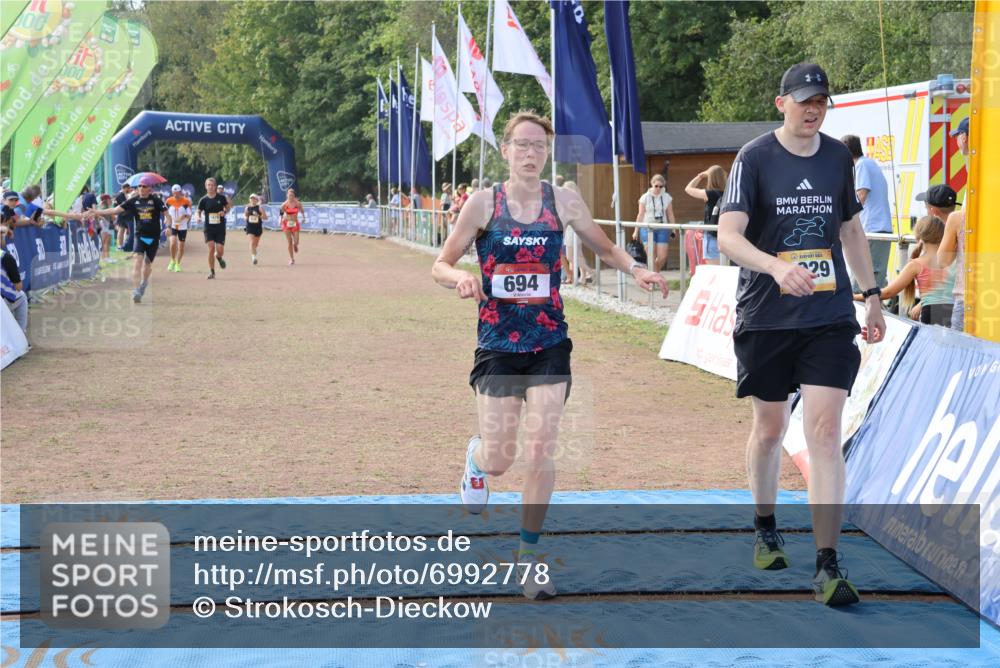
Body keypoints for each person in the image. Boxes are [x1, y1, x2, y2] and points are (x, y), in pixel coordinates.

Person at [432, 111, 668, 600]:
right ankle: (476, 458)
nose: (530, 153)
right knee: (501, 459)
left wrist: (636, 269)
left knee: (541, 450)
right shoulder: (483, 204)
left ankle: (528, 557)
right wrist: (460, 278)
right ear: (505, 150)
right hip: (498, 345)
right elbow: (441, 263)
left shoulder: (563, 201)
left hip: (548, 343)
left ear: (547, 153)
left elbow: (606, 248)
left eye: (539, 145)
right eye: (521, 144)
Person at [717, 63, 886, 607]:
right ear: (781, 103)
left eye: (821, 102)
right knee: (770, 429)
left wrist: (872, 294)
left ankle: (827, 565)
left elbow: (850, 229)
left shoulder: (838, 157)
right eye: (804, 100)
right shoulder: (754, 158)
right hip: (766, 317)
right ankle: (765, 526)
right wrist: (774, 267)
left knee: (824, 430)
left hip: (827, 317)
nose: (813, 110)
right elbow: (728, 236)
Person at [60, 176, 171, 303]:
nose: (141, 188)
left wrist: (168, 226)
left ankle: (144, 283)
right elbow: (115, 210)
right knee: (137, 261)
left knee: (147, 264)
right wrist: (97, 212)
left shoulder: (156, 201)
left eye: (144, 186)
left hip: (153, 237)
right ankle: (136, 291)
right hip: (140, 235)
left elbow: (168, 216)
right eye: (139, 186)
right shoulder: (133, 201)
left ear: (149, 188)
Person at [853, 215, 953, 326]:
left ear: (918, 236)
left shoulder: (915, 265)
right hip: (954, 313)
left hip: (930, 316)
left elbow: (888, 292)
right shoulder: (953, 261)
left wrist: (855, 297)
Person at [840, 134, 893, 289]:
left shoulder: (861, 165)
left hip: (872, 228)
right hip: (878, 228)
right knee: (874, 278)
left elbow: (862, 194)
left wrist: (844, 217)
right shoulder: (869, 163)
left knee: (863, 281)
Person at [940, 116, 969, 330]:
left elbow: (943, 260)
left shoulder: (956, 218)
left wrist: (953, 222)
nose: (957, 141)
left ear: (964, 138)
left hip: (968, 294)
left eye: (957, 136)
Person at [685, 165, 728, 266]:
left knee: (714, 270)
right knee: (724, 269)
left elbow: (688, 189)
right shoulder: (728, 193)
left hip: (712, 235)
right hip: (726, 235)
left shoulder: (710, 194)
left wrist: (700, 176)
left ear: (710, 178)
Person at [632, 174, 675, 272]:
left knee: (662, 256)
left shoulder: (667, 197)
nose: (658, 188)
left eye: (661, 186)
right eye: (656, 186)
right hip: (647, 228)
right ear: (652, 184)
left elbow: (670, 214)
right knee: (651, 255)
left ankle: (653, 274)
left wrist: (674, 229)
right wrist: (636, 231)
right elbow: (640, 215)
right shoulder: (645, 197)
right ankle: (654, 277)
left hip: (662, 227)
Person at [560, 181, 593, 283]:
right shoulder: (578, 201)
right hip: (576, 230)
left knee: (570, 256)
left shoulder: (571, 202)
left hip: (572, 231)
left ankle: (590, 272)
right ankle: (583, 276)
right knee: (579, 254)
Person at [197, 177, 230, 279]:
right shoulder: (203, 200)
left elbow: (228, 207)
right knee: (211, 248)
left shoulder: (221, 198)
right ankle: (212, 272)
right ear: (206, 186)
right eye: (208, 185)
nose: (210, 187)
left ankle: (219, 257)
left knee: (220, 250)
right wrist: (198, 217)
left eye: (212, 185)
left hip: (220, 228)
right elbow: (198, 211)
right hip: (209, 228)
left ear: (215, 186)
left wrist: (224, 212)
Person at [1, 224, 28, 333]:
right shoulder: (5, 257)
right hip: (2, 303)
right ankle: (20, 335)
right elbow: (18, 286)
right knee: (21, 296)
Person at [166, 185, 192, 272]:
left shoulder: (186, 201)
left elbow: (189, 214)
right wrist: (167, 222)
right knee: (173, 243)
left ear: (180, 192)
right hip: (173, 226)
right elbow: (166, 213)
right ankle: (172, 260)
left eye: (177, 193)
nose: (176, 195)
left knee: (181, 246)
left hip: (183, 227)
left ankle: (178, 263)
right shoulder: (169, 201)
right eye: (174, 193)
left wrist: (183, 216)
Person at [280, 188, 303, 266]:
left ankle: (295, 245)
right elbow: (281, 212)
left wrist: (303, 217)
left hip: (295, 223)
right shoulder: (284, 204)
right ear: (287, 195)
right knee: (289, 242)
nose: (291, 196)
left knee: (296, 241)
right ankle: (291, 259)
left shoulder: (297, 203)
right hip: (286, 223)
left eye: (292, 195)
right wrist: (281, 219)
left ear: (294, 196)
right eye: (289, 195)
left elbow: (302, 210)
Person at [245, 193, 267, 264]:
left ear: (257, 200)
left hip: (258, 227)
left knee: (255, 244)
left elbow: (265, 217)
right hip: (250, 226)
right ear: (249, 200)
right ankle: (254, 258)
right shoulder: (247, 208)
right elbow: (245, 215)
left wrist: (258, 216)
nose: (252, 200)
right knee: (252, 242)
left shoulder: (259, 208)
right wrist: (245, 218)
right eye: (251, 198)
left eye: (254, 198)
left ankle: (254, 251)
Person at [114, 183, 136, 251]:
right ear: (125, 188)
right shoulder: (120, 195)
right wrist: (130, 197)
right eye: (128, 188)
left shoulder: (123, 194)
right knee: (121, 230)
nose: (129, 190)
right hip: (123, 216)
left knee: (124, 231)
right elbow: (124, 205)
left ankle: (122, 245)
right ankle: (119, 246)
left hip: (125, 216)